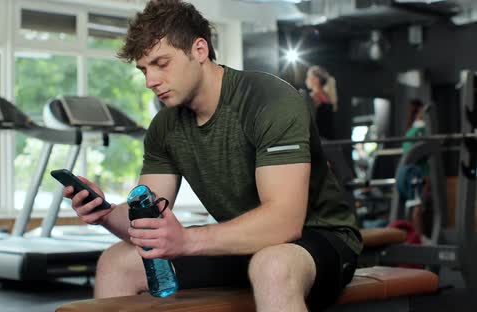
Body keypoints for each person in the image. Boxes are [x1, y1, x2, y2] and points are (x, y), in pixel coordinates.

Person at [63, 1, 362, 311]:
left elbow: (284, 223)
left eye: (161, 63)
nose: (150, 81)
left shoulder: (269, 100)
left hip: (319, 239)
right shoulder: (165, 126)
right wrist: (105, 213)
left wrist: (187, 241)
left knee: (272, 265)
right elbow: (146, 217)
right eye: (144, 70)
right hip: (241, 245)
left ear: (200, 50)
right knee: (115, 261)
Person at [401, 99, 431, 241]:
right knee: (418, 208)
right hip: (420, 174)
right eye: (423, 111)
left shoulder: (412, 129)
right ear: (420, 112)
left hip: (413, 174)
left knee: (416, 208)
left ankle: (416, 236)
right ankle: (418, 237)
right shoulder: (419, 130)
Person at [305, 65, 338, 140]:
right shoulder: (329, 96)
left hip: (319, 139)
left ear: (316, 79)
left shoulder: (314, 97)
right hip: (329, 138)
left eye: (309, 76)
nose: (307, 79)